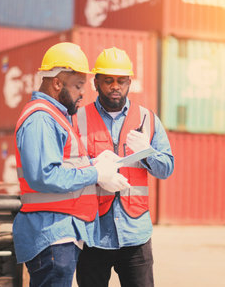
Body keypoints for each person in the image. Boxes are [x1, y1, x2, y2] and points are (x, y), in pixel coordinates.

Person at [12, 42, 130, 287]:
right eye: (77, 86)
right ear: (57, 83)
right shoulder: (41, 118)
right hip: (51, 234)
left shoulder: (55, 117)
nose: (82, 93)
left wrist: (95, 162)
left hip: (59, 234)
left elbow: (63, 165)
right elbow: (44, 176)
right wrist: (95, 173)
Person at [74, 47, 174, 287]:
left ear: (130, 82)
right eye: (108, 80)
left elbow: (167, 168)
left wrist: (147, 154)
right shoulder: (78, 119)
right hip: (93, 234)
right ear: (95, 82)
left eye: (121, 80)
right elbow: (67, 166)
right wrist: (94, 168)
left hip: (135, 234)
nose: (115, 86)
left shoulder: (147, 119)